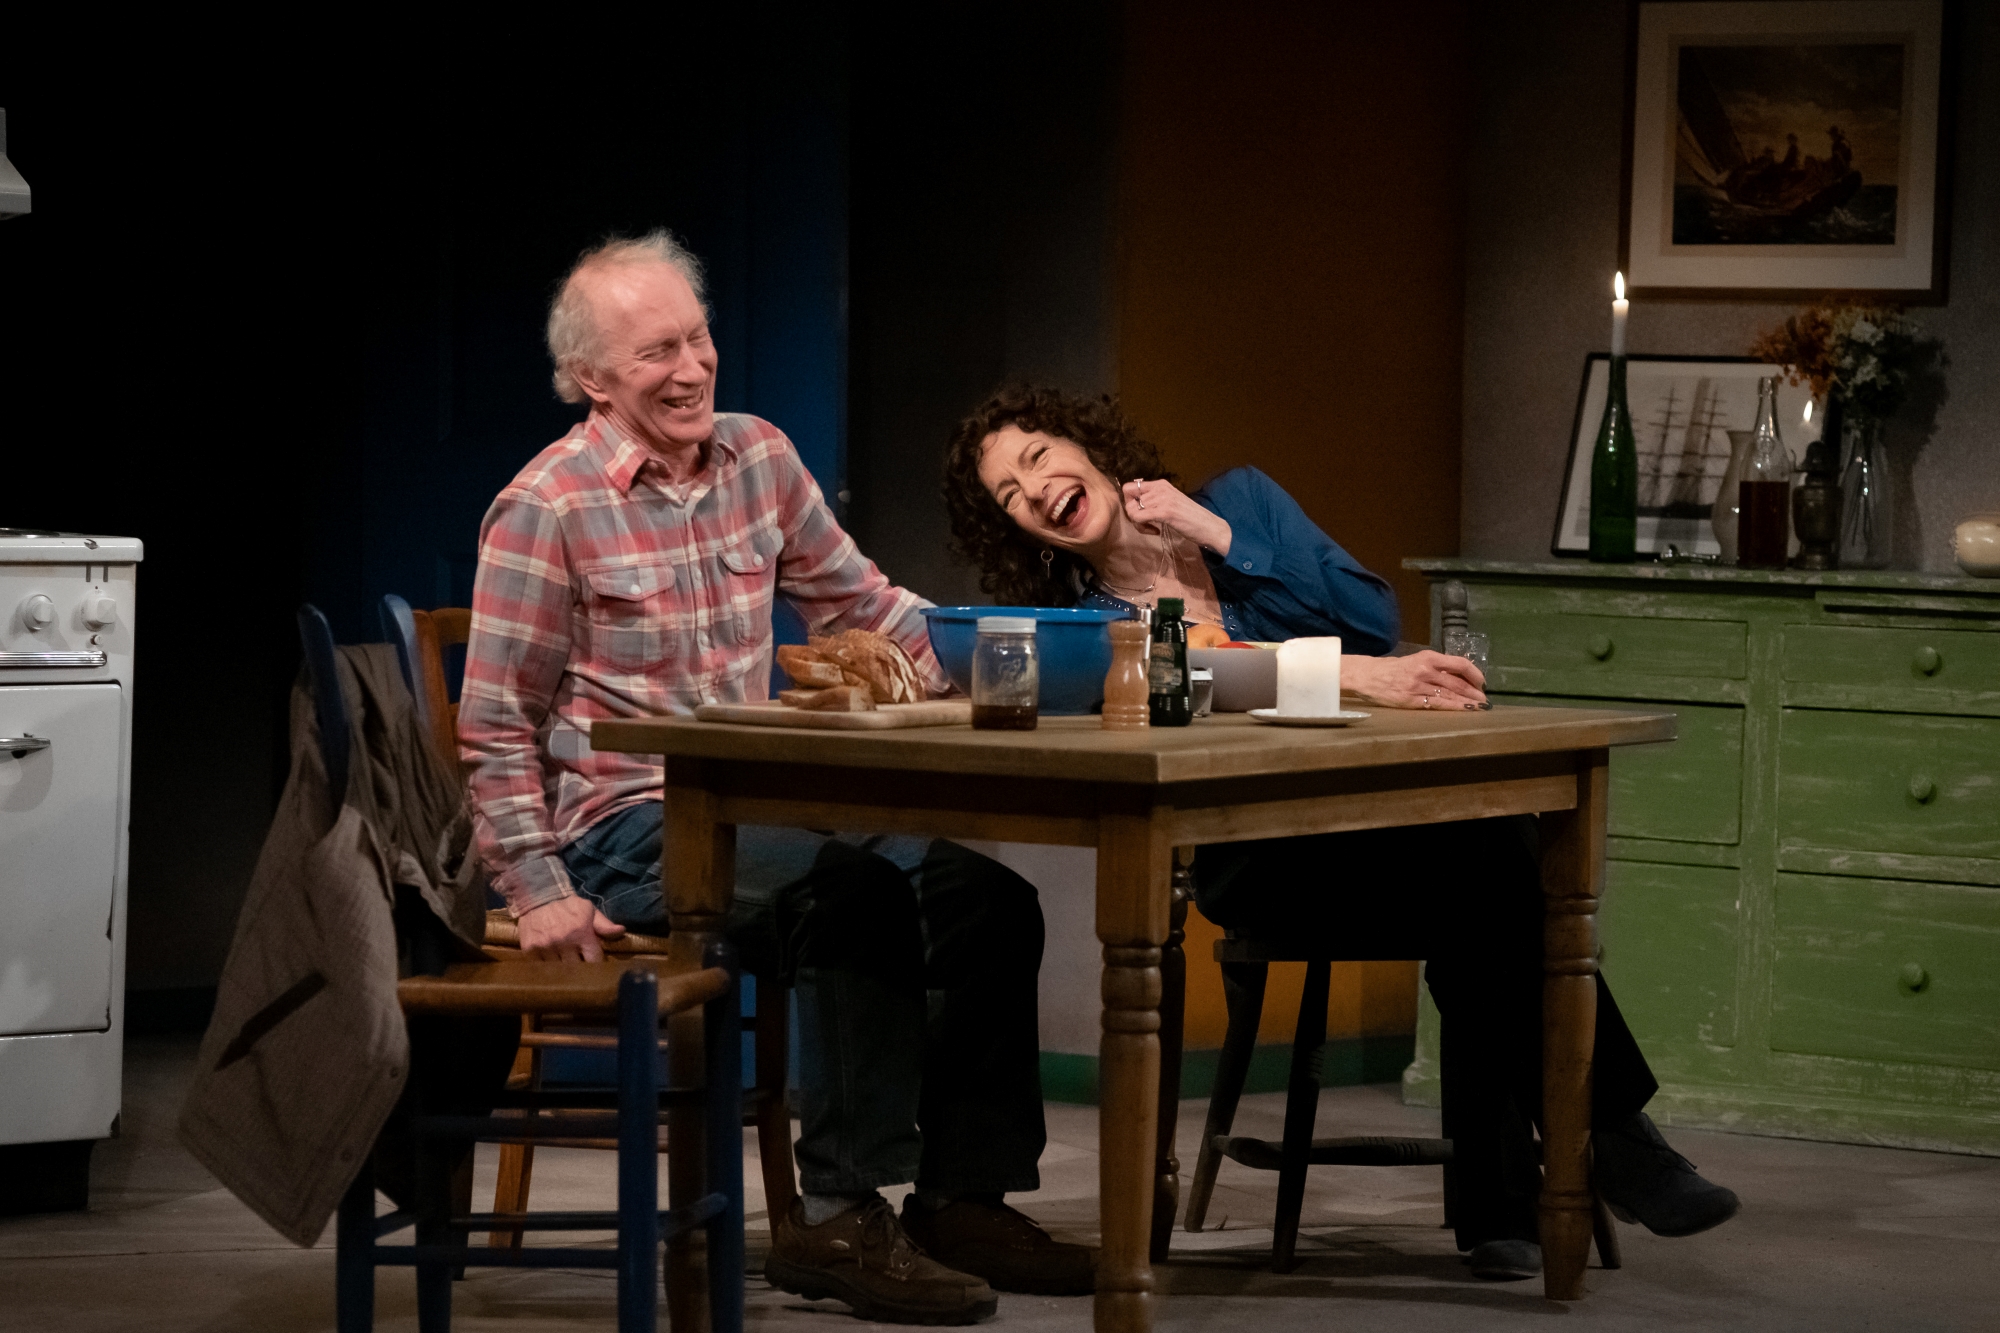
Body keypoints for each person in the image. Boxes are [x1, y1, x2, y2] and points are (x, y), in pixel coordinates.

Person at [941, 383, 1741, 1282]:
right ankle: (1598, 1143)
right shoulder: (1093, 630)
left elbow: (1375, 617)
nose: (1035, 489)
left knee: (1484, 852)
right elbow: (1225, 679)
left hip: (1376, 826)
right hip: (1256, 856)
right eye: (1010, 494)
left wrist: (1214, 532)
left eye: (1039, 458)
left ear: (1087, 446)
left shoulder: (1240, 500)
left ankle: (1524, 1193)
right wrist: (1358, 680)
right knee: (1489, 858)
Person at [459, 235, 1091, 1324]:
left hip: (761, 809)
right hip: (623, 829)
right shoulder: (548, 507)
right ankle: (839, 1216)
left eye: (698, 337)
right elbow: (493, 723)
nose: (693, 366)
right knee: (847, 894)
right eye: (657, 350)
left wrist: (1025, 660)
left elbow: (866, 607)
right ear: (592, 380)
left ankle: (961, 1197)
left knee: (984, 900)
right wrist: (536, 886)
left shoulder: (757, 458)